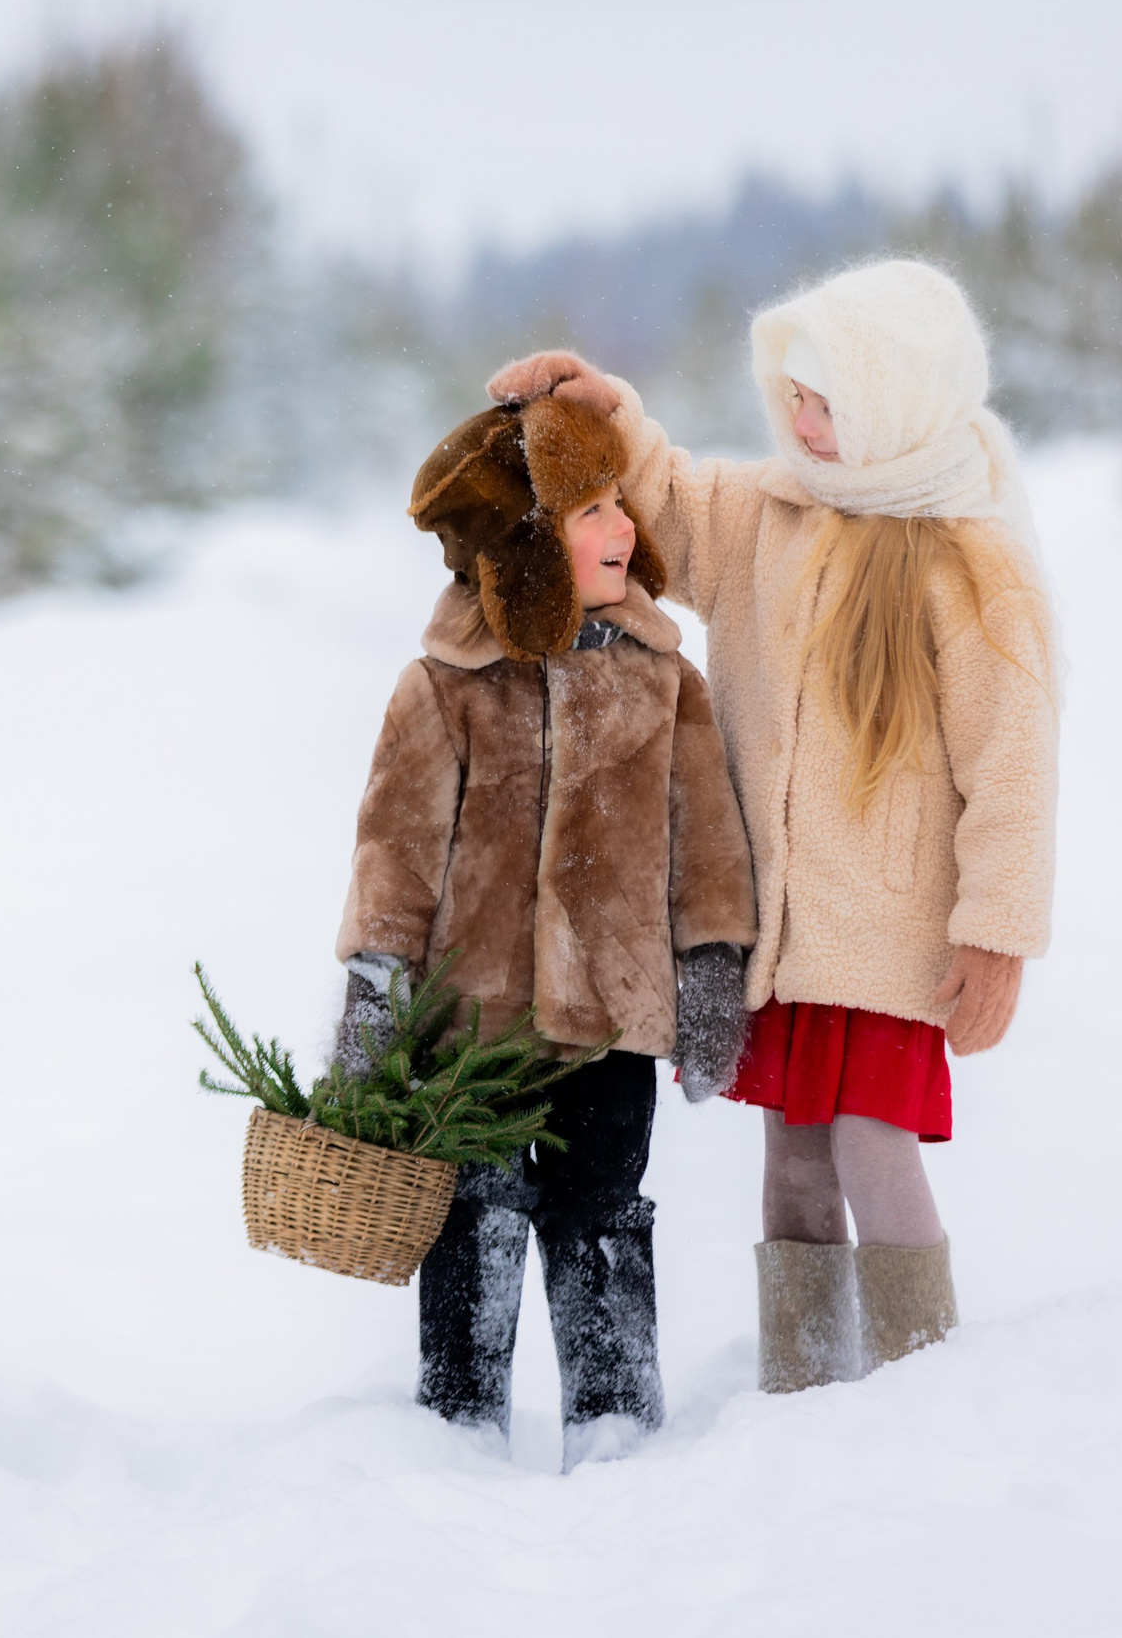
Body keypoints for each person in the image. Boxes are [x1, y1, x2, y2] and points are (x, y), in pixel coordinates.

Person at [486, 258, 1059, 1394]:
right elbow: (671, 496)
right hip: (783, 935)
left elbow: (1013, 764)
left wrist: (996, 930)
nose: (797, 419)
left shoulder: (968, 562)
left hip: (892, 937)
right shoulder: (768, 517)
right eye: (790, 394)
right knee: (794, 1161)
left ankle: (921, 1378)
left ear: (893, 403)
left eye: (826, 400)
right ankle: (804, 1386)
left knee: (867, 1144)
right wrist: (602, 407)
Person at [333, 385, 758, 1467]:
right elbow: (395, 851)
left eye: (623, 507)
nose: (625, 531)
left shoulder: (665, 681)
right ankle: (460, 1423)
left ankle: (614, 1423)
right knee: (473, 1208)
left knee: (602, 1207)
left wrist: (711, 963)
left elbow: (704, 843)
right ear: (526, 543)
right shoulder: (444, 687)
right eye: (590, 514)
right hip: (470, 1027)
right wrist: (373, 985)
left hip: (611, 1020)